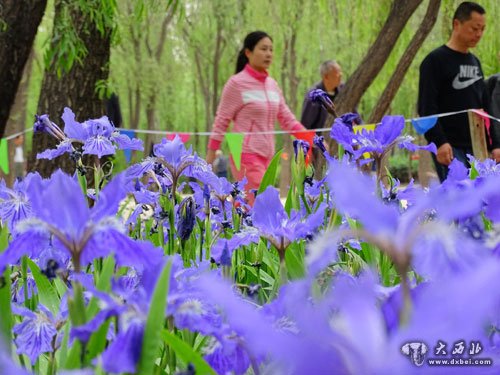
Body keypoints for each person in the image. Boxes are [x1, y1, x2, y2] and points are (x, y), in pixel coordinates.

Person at [206, 31, 313, 204]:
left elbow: (287, 119)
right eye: (263, 49)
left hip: (267, 154)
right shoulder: (236, 83)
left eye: (271, 49)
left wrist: (311, 138)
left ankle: (230, 225)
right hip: (243, 151)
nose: (269, 54)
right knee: (263, 201)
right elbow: (221, 122)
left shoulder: (272, 85)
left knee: (248, 203)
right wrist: (208, 161)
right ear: (248, 52)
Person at [418, 1, 500, 182]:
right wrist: (439, 141)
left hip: (477, 148)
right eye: (474, 28)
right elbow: (426, 108)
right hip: (450, 148)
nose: (479, 34)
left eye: (482, 29)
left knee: (481, 203)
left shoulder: (475, 63)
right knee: (457, 202)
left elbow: (486, 109)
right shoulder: (434, 61)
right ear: (457, 24)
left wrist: (495, 144)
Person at [301, 60, 343, 178]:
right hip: (319, 150)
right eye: (337, 72)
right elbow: (305, 125)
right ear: (326, 76)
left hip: (340, 147)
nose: (341, 75)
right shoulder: (314, 97)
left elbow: (356, 116)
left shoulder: (343, 92)